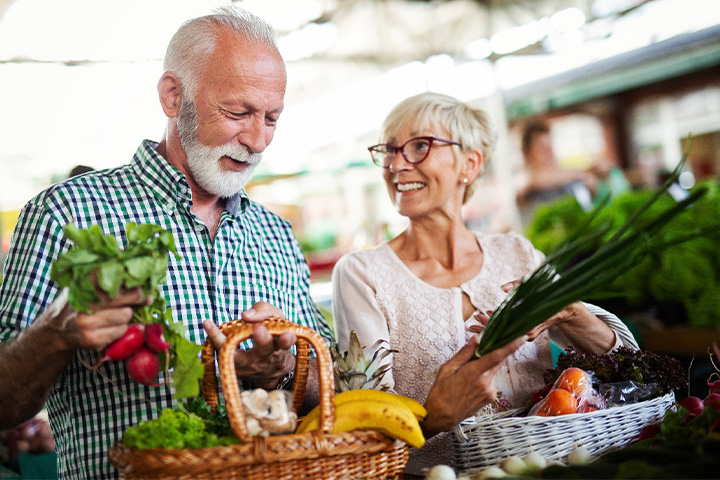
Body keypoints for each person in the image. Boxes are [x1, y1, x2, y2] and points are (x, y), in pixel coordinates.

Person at [0, 7, 332, 478]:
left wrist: (280, 367)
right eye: (238, 113)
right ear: (174, 96)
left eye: (272, 118)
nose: (258, 141)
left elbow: (332, 385)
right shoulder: (66, 215)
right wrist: (54, 335)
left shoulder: (275, 233)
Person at [331, 92, 638, 476]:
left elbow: (632, 366)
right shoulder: (363, 274)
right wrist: (433, 418)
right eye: (389, 150)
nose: (396, 164)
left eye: (419, 146)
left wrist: (571, 313)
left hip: (553, 468)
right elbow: (364, 427)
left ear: (470, 164)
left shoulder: (518, 255)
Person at [516, 120, 598, 225]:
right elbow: (535, 179)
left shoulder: (565, 179)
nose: (549, 152)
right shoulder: (524, 181)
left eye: (551, 146)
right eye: (542, 148)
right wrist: (582, 174)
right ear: (527, 154)